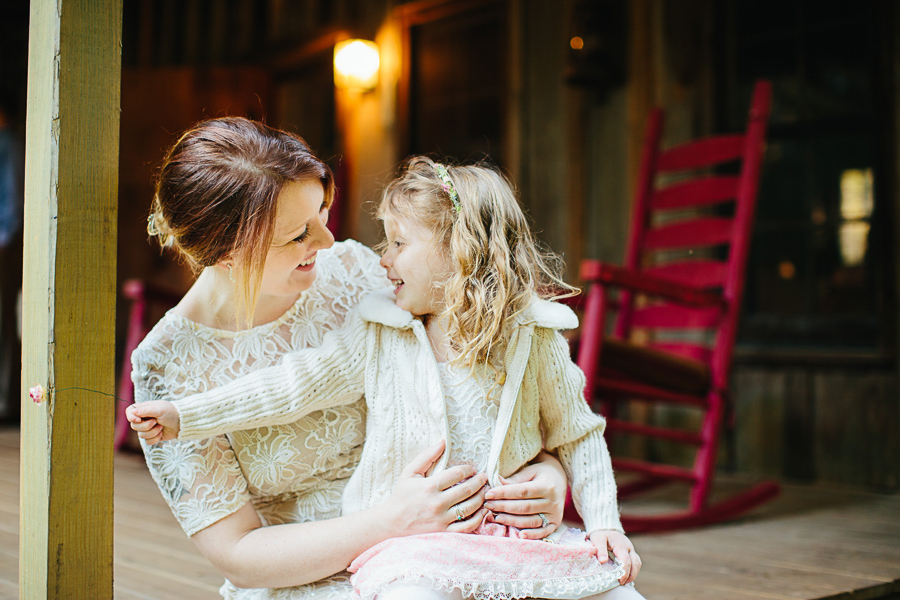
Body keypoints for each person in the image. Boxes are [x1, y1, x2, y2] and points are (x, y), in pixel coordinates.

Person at [129, 155, 644, 600]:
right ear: (229, 252)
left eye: (323, 216)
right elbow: (291, 387)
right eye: (299, 233)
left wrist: (552, 477)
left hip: (487, 534)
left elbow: (538, 418)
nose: (330, 241)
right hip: (346, 564)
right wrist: (187, 414)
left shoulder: (364, 277)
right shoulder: (168, 365)